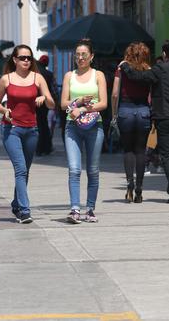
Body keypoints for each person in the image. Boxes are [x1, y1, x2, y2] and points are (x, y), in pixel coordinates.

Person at [119, 39, 169, 204]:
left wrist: (125, 66)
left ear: (164, 54)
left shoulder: (160, 69)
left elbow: (138, 76)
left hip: (166, 119)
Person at [0, 44, 55, 224]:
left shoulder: (38, 78)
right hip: (11, 129)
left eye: (29, 58)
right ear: (15, 60)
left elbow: (52, 104)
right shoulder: (6, 79)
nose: (26, 60)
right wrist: (4, 111)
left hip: (31, 130)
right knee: (20, 169)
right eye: (22, 58)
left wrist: (45, 98)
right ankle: (25, 210)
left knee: (25, 171)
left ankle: (16, 202)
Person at [61, 39, 108, 223]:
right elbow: (63, 103)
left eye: (84, 55)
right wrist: (77, 102)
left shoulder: (98, 75)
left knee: (93, 170)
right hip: (72, 126)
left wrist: (84, 108)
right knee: (74, 169)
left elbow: (104, 103)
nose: (80, 58)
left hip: (94, 125)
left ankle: (90, 209)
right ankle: (74, 209)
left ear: (91, 57)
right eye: (77, 55)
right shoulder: (68, 76)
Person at [111, 43, 152, 203]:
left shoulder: (121, 69)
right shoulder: (148, 70)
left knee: (128, 150)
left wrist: (114, 113)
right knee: (141, 151)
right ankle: (139, 190)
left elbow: (115, 94)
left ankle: (129, 184)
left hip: (125, 110)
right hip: (143, 110)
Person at [35, 55, 57, 156]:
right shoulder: (49, 74)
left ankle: (40, 147)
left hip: (35, 101)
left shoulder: (35, 73)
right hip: (46, 102)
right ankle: (46, 147)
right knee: (44, 124)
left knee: (39, 124)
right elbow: (54, 89)